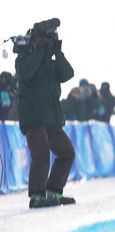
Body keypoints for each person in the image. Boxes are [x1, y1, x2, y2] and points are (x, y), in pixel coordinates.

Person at [14, 18, 76, 208]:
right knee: (41, 154)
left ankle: (54, 192)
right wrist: (39, 50)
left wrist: (58, 51)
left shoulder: (50, 61)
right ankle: (37, 196)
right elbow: (25, 74)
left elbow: (68, 74)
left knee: (67, 152)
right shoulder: (24, 57)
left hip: (50, 117)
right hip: (33, 116)